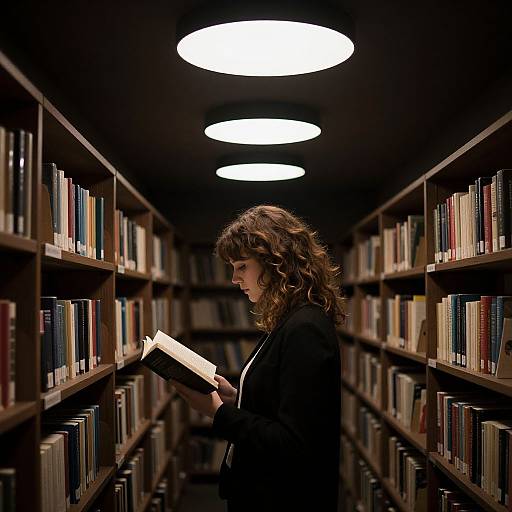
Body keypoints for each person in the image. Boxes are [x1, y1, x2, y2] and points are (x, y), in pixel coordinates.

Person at [172, 205, 344, 511]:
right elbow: (286, 403)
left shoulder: (305, 328)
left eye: (241, 266)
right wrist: (236, 397)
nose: (235, 279)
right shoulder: (290, 319)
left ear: (276, 263)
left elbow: (294, 443)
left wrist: (218, 413)